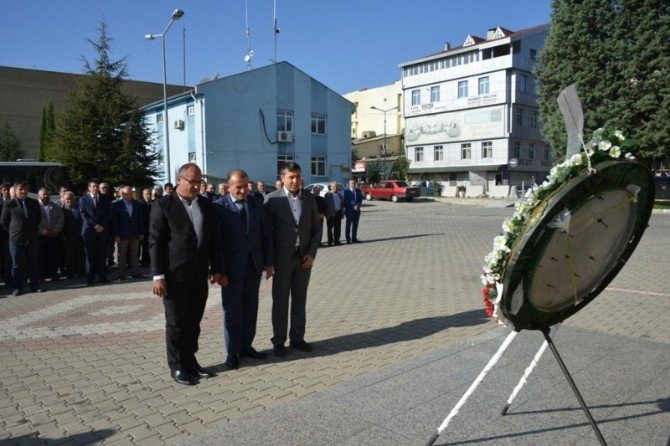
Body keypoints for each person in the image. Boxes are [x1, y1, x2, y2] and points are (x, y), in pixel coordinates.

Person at [149, 163, 222, 386]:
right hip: (173, 276)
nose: (196, 186)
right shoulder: (163, 206)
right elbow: (155, 242)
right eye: (192, 181)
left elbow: (212, 240)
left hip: (199, 274)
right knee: (175, 323)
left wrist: (217, 267)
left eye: (199, 182)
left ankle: (190, 361)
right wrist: (158, 275)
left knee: (194, 321)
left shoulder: (206, 206)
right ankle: (176, 366)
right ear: (179, 180)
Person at [214, 169, 272, 369]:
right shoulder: (219, 208)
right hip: (230, 271)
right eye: (238, 187)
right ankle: (232, 352)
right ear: (228, 187)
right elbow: (216, 243)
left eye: (246, 186)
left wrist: (268, 263)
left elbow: (266, 235)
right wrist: (219, 271)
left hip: (253, 267)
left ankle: (246, 346)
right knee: (232, 312)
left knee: (250, 309)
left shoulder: (256, 204)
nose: (242, 190)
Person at [263, 162, 322, 356]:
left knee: (299, 299)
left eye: (297, 176)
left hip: (303, 258)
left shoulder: (309, 199)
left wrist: (312, 253)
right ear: (282, 178)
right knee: (280, 301)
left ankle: (297, 338)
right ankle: (278, 341)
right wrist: (269, 262)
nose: (295, 180)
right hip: (281, 261)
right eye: (291, 177)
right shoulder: (271, 200)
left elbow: (316, 228)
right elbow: (267, 234)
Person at [0, 181, 42, 295]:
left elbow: (38, 219)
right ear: (15, 190)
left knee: (33, 263)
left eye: (25, 189)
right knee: (17, 264)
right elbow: (3, 222)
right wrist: (14, 231)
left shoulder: (34, 203)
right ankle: (18, 287)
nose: (23, 191)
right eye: (20, 189)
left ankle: (35, 285)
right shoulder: (9, 204)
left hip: (32, 238)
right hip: (16, 239)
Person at [80, 179, 111, 285]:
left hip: (102, 231)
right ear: (89, 188)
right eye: (93, 186)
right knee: (90, 256)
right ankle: (89, 278)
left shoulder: (105, 198)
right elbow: (84, 215)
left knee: (102, 255)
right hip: (89, 231)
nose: (95, 188)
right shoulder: (83, 199)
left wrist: (102, 225)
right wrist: (96, 225)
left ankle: (103, 277)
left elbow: (108, 214)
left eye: (96, 186)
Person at [111, 185, 144, 281]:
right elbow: (115, 221)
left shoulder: (136, 204)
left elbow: (140, 219)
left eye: (130, 194)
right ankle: (121, 274)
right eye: (126, 194)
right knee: (122, 255)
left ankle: (135, 272)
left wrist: (141, 232)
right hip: (122, 234)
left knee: (135, 254)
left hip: (135, 233)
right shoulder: (117, 205)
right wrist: (116, 235)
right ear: (122, 194)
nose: (129, 195)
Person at [37, 188, 64, 281]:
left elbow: (61, 219)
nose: (46, 196)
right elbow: (34, 222)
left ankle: (54, 274)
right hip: (41, 236)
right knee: (41, 257)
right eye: (44, 194)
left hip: (54, 235)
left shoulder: (56, 206)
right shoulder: (36, 207)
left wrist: (54, 231)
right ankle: (41, 276)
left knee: (54, 256)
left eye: (47, 194)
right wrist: (44, 231)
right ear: (39, 196)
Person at [61, 192, 84, 278]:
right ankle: (69, 273)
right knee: (68, 256)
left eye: (71, 199)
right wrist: (62, 235)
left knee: (80, 254)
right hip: (67, 236)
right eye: (67, 199)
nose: (69, 200)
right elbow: (61, 223)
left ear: (74, 199)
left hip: (79, 235)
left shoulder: (79, 207)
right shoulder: (61, 209)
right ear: (64, 199)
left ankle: (80, 271)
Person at [324, 182, 344, 246]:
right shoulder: (328, 194)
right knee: (330, 228)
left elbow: (342, 204)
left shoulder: (340, 194)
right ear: (331, 187)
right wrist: (326, 214)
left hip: (338, 213)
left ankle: (337, 241)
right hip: (330, 214)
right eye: (334, 186)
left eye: (336, 186)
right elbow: (325, 205)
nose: (335, 187)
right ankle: (330, 241)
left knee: (338, 228)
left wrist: (342, 213)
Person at [343, 179, 363, 243]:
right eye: (351, 183)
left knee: (355, 225)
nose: (353, 184)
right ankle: (348, 239)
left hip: (357, 211)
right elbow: (346, 201)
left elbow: (360, 200)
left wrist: (358, 205)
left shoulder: (358, 191)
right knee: (348, 225)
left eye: (354, 183)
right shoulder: (346, 191)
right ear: (349, 184)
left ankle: (354, 238)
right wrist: (353, 206)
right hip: (349, 211)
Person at [0, 183, 12, 286]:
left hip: (7, 236)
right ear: (1, 191)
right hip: (2, 233)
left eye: (8, 189)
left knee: (7, 258)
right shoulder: (1, 203)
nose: (7, 191)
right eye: (5, 189)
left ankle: (8, 280)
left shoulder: (12, 201)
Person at [139, 188, 153, 267]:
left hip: (151, 229)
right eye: (147, 194)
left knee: (150, 246)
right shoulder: (140, 203)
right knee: (144, 247)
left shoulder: (154, 203)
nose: (148, 196)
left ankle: (149, 261)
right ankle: (144, 262)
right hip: (143, 228)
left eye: (150, 194)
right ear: (143, 195)